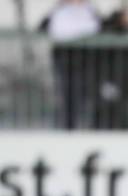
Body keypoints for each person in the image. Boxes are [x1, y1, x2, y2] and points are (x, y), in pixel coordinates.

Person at [39, 0, 101, 129]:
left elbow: (101, 27)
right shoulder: (58, 10)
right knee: (66, 93)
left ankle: (84, 125)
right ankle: (68, 126)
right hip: (64, 58)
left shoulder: (90, 10)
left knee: (83, 93)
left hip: (85, 59)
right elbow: (42, 27)